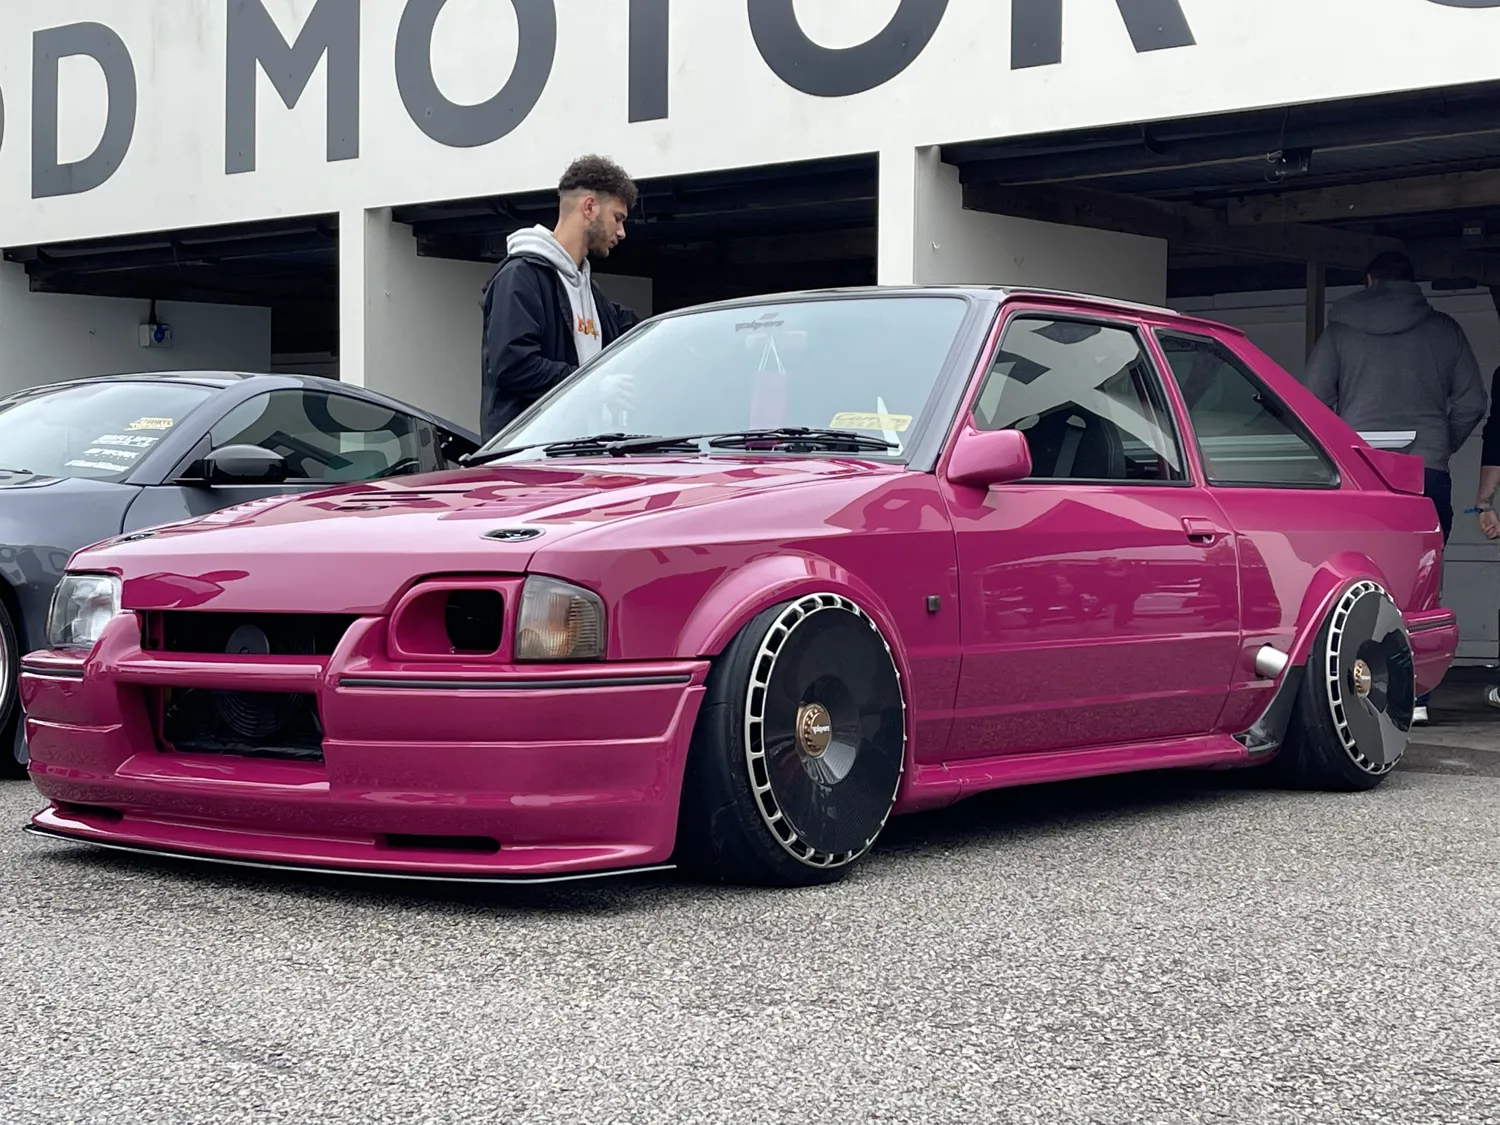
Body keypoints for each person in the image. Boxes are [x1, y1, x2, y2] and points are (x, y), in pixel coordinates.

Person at [1302, 250, 1488, 724]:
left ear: (1369, 280)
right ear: (1411, 283)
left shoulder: (1339, 332)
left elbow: (1311, 403)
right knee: (1423, 580)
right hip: (1426, 473)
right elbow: (1472, 402)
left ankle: (1356, 688)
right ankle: (1416, 696)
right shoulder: (1443, 330)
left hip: (1358, 473)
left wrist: (1343, 448)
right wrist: (1438, 446)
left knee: (1353, 579)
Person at [479, 155, 643, 442]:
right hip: (530, 459)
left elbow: (638, 331)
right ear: (589, 207)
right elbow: (513, 366)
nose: (621, 232)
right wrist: (594, 385)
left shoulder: (590, 292)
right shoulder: (520, 276)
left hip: (580, 454)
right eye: (617, 218)